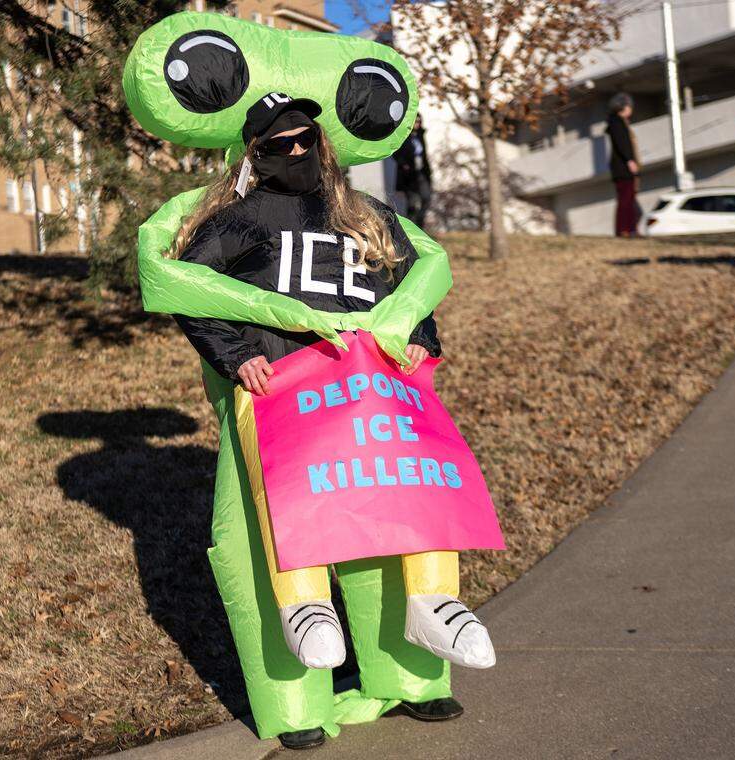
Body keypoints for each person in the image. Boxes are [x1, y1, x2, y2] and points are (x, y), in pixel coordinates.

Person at [170, 94, 494, 750]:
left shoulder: (365, 213)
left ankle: (430, 616)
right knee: (291, 504)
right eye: (278, 144)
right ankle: (305, 612)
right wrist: (236, 355)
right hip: (282, 386)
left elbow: (411, 283)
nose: (295, 152)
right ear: (254, 154)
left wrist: (421, 337)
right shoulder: (236, 222)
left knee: (410, 490)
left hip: (373, 383)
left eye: (304, 139)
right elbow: (189, 289)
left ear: (321, 141)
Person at [606, 92, 641, 237]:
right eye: (629, 106)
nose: (631, 109)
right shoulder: (617, 123)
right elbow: (622, 144)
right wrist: (630, 160)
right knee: (625, 199)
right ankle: (624, 229)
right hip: (622, 167)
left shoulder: (619, 123)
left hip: (622, 166)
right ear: (624, 107)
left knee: (628, 198)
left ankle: (630, 228)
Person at [393, 116, 432, 228]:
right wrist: (404, 164)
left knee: (426, 197)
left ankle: (419, 224)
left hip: (421, 173)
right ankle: (410, 228)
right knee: (412, 203)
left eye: (419, 121)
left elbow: (424, 155)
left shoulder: (420, 135)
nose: (418, 124)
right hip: (409, 176)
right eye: (416, 121)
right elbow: (396, 153)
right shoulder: (403, 135)